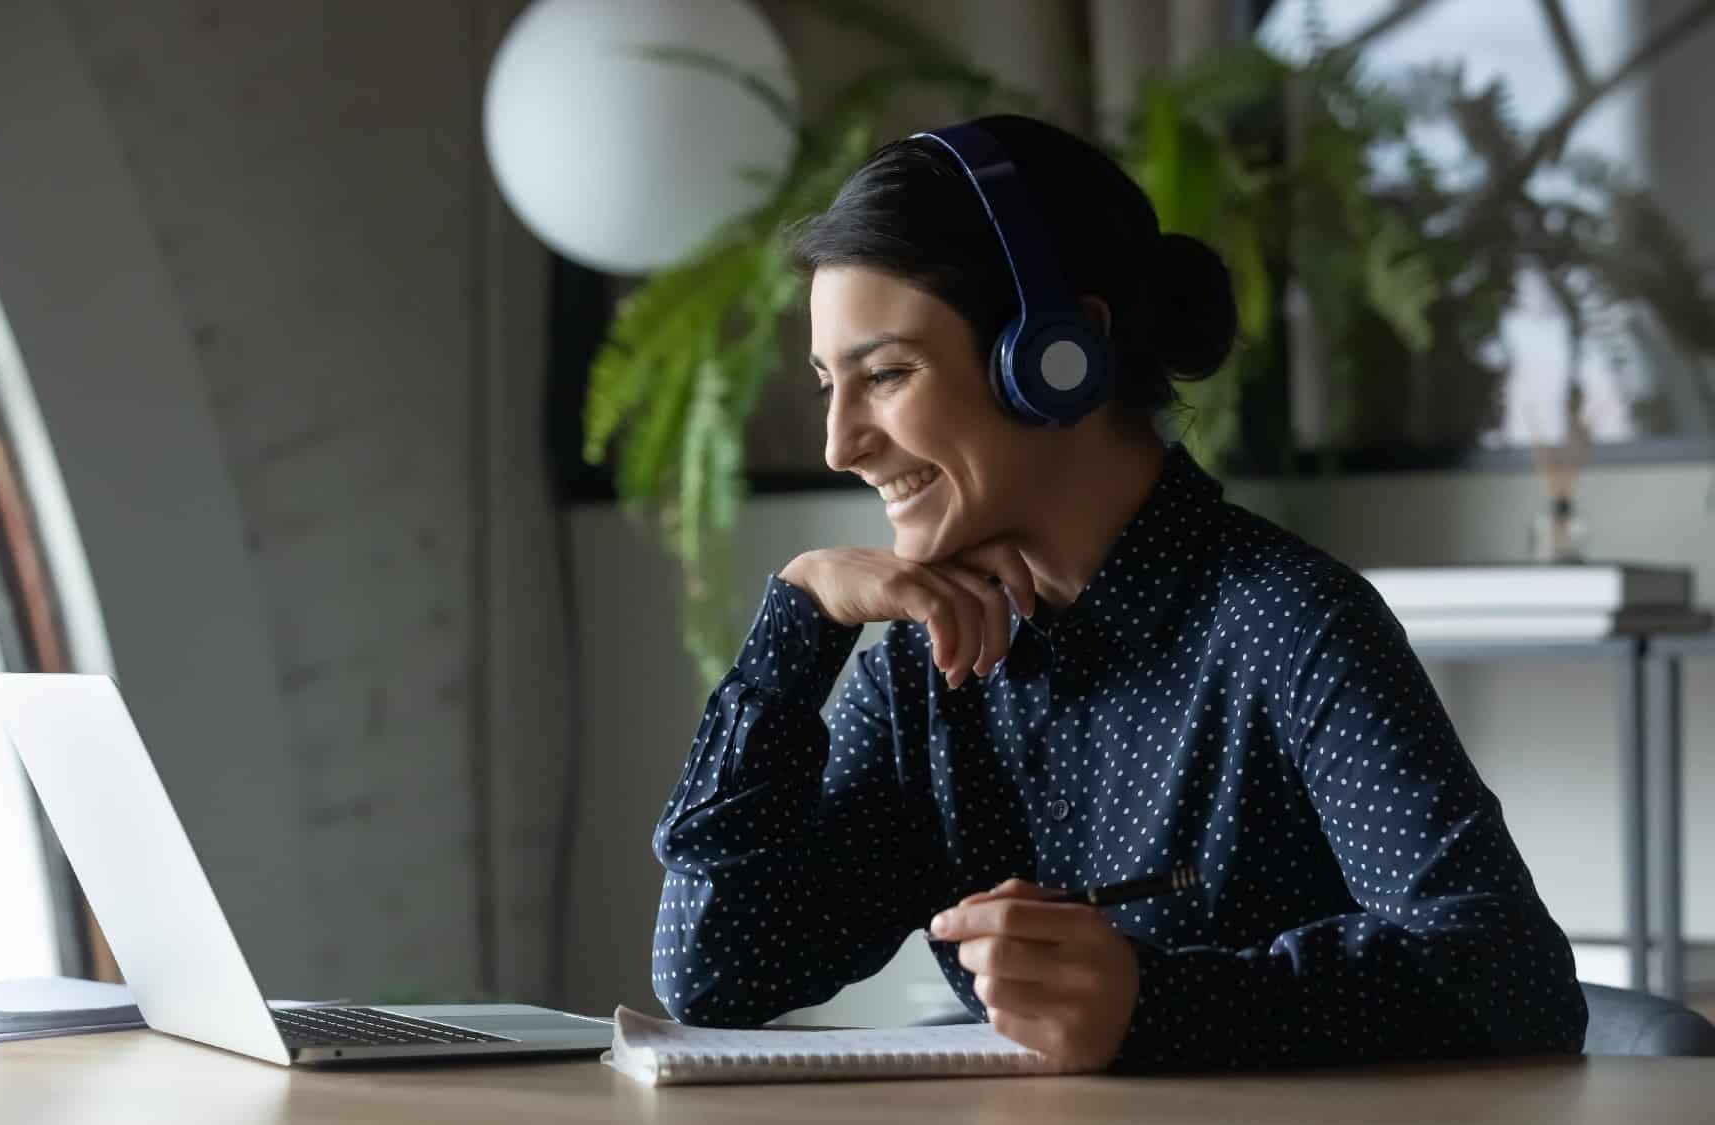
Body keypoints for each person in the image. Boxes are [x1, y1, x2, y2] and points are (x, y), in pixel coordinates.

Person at [647, 114, 1586, 1072]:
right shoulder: (927, 670)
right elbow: (713, 973)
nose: (840, 444)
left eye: (886, 373)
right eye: (827, 386)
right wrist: (797, 624)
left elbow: (1511, 976)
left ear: (1059, 357)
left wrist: (1155, 1003)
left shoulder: (1291, 621)